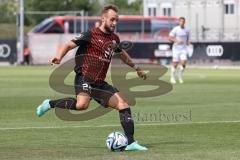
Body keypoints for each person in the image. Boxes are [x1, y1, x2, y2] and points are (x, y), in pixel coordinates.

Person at [36, 4, 148, 151]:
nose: (114, 23)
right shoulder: (91, 34)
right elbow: (69, 45)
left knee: (123, 105)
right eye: (112, 20)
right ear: (103, 18)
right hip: (84, 78)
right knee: (82, 105)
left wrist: (137, 69)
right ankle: (49, 104)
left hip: (100, 83)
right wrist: (58, 57)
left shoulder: (114, 39)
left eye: (116, 20)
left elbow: (122, 54)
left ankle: (131, 142)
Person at [169, 17, 190, 84]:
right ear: (179, 22)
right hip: (176, 49)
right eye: (180, 21)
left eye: (183, 21)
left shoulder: (187, 30)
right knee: (175, 64)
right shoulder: (176, 29)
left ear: (184, 22)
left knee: (183, 63)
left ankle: (180, 76)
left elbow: (187, 38)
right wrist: (176, 41)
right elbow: (169, 38)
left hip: (183, 49)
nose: (182, 23)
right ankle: (172, 77)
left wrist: (188, 42)